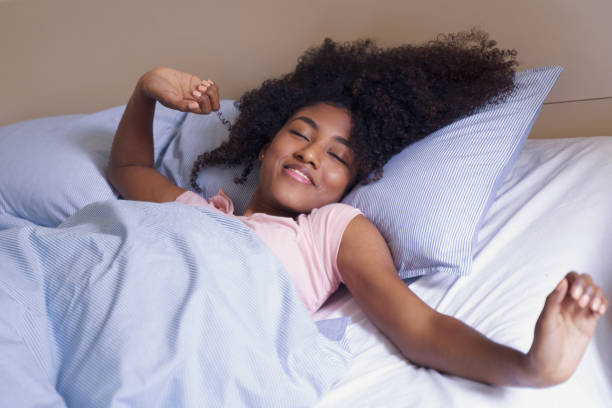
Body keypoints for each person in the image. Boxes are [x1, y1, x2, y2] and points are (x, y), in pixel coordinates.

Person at [106, 29, 608, 388]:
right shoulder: (204, 210)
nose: (309, 153)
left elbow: (420, 328)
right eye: (299, 134)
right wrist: (148, 88)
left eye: (337, 156)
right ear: (263, 146)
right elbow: (128, 170)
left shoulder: (328, 231)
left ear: (353, 182)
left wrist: (529, 368)